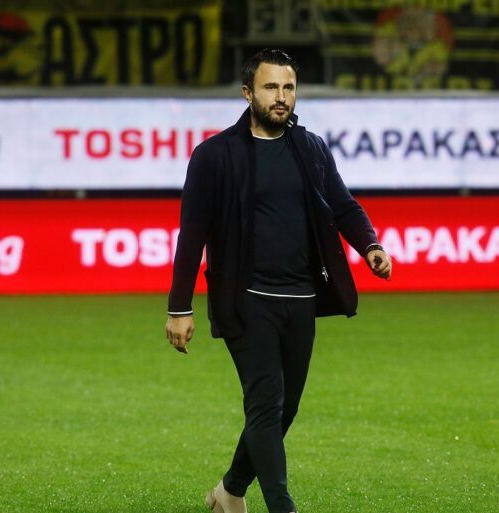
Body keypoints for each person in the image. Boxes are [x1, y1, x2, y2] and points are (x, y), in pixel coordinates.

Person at [165, 48, 392, 513]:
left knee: (284, 410)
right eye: (270, 87)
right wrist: (179, 307)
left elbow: (342, 204)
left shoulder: (311, 148)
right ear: (247, 92)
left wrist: (369, 245)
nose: (281, 96)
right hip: (246, 300)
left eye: (288, 87)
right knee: (266, 405)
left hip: (302, 298)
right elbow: (193, 234)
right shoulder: (214, 155)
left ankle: (230, 490)